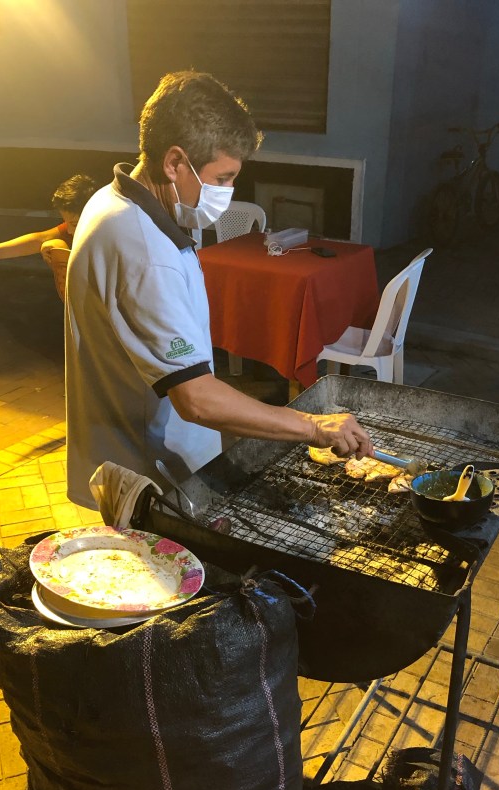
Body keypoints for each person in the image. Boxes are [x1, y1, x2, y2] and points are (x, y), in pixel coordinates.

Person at [64, 71, 373, 510]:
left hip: (132, 449)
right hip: (152, 471)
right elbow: (197, 399)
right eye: (223, 178)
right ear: (174, 163)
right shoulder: (144, 251)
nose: (228, 192)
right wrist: (313, 426)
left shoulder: (112, 200)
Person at [0, 173, 99, 301]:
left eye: (74, 224)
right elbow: (40, 239)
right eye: (66, 222)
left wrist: (61, 253)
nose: (69, 230)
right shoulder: (78, 227)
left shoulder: (107, 239)